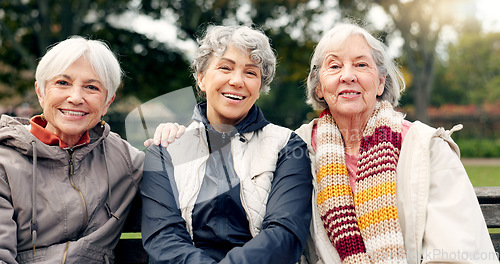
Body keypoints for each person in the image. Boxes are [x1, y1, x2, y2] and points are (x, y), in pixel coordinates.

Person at [295, 22, 496, 263]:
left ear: (380, 82)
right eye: (335, 66)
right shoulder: (298, 149)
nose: (348, 76)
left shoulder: (429, 148)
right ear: (319, 87)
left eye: (361, 65)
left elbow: (454, 253)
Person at [140, 25, 313, 264]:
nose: (237, 80)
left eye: (250, 73)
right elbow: (163, 237)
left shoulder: (288, 147)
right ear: (201, 78)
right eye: (225, 67)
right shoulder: (164, 150)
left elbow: (284, 234)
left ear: (260, 88)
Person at [0, 36, 144, 263]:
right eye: (62, 83)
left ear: (108, 102)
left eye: (91, 87)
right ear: (41, 92)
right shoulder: (4, 162)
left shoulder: (127, 161)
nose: (76, 98)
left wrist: (173, 136)